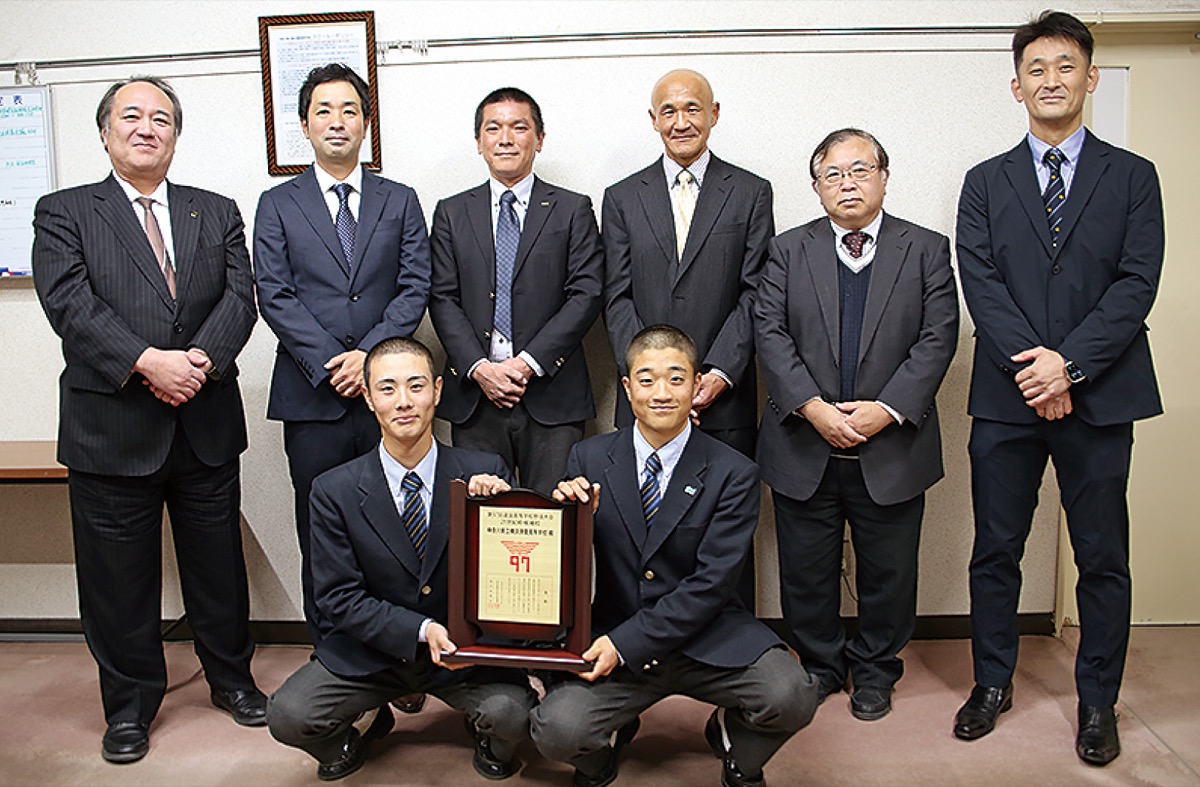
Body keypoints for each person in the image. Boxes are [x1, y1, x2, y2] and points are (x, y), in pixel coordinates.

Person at [32, 76, 263, 763]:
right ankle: (129, 705)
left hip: (205, 418)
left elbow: (239, 297)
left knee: (218, 568)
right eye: (130, 116)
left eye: (161, 118)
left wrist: (197, 360)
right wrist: (145, 362)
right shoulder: (64, 211)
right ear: (105, 132)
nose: (146, 127)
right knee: (117, 579)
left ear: (175, 134)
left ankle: (233, 679)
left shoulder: (213, 210)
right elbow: (68, 304)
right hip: (113, 429)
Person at [953, 10, 1164, 767]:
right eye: (1036, 69)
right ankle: (991, 682)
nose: (1051, 80)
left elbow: (1136, 284)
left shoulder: (1135, 177)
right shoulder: (983, 182)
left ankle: (1098, 700)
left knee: (1102, 556)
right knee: (996, 550)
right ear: (1017, 86)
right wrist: (1034, 370)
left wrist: (1068, 366)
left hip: (1102, 395)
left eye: (1065, 66)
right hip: (1006, 400)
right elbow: (982, 282)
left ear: (1090, 77)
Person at [531, 325, 817, 787]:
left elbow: (711, 585)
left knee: (793, 696)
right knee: (556, 730)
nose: (661, 393)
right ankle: (603, 753)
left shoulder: (734, 472)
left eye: (676, 378)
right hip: (616, 627)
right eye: (646, 380)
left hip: (709, 633)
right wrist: (565, 520)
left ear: (697, 384)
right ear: (627, 388)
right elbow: (562, 572)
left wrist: (627, 644)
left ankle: (733, 742)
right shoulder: (589, 457)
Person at [755, 129, 959, 720]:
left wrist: (886, 410)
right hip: (804, 443)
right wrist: (813, 408)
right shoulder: (787, 251)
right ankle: (820, 666)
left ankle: (876, 670)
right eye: (833, 174)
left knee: (889, 573)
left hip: (893, 445)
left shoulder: (925, 249)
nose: (847, 183)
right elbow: (770, 333)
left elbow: (937, 335)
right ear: (816, 187)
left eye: (860, 170)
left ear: (885, 178)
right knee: (806, 572)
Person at [266, 337, 537, 781]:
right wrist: (420, 630)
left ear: (437, 391)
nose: (404, 402)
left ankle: (486, 734)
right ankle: (360, 728)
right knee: (289, 716)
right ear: (369, 398)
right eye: (388, 389)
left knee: (516, 716)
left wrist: (503, 513)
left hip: (464, 658)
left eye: (415, 386)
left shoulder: (483, 470)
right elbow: (336, 599)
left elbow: (512, 585)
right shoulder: (333, 490)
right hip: (373, 655)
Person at [253, 63, 431, 647]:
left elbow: (415, 285)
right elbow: (274, 293)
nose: (337, 121)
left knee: (401, 529)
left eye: (349, 110)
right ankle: (332, 651)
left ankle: (401, 650)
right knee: (323, 529)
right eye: (323, 111)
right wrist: (335, 361)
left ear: (366, 123)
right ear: (304, 126)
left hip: (392, 395)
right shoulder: (277, 204)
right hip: (313, 397)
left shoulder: (400, 200)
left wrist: (371, 361)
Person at [601, 69, 773, 606]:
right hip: (646, 403)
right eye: (669, 112)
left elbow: (756, 294)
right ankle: (628, 651)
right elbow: (616, 296)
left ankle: (732, 662)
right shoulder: (623, 197)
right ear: (654, 120)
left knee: (725, 539)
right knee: (632, 535)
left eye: (692, 109)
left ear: (714, 114)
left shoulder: (749, 192)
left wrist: (717, 373)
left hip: (722, 401)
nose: (681, 122)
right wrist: (650, 380)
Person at [428, 87, 603, 495]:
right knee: (482, 528)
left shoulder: (571, 209)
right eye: (494, 128)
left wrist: (526, 363)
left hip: (551, 396)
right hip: (476, 396)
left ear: (539, 139)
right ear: (479, 142)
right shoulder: (451, 212)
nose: (505, 138)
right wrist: (479, 366)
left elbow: (586, 293)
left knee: (553, 520)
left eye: (519, 127)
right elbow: (441, 297)